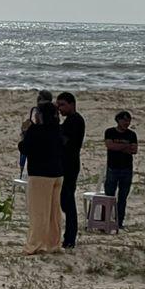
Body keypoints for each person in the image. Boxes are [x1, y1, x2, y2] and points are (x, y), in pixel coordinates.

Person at [19, 102, 64, 255]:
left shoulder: (35, 130)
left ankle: (36, 244)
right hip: (57, 173)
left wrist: (25, 132)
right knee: (53, 212)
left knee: (39, 212)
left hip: (40, 175)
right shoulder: (57, 130)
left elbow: (24, 148)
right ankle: (53, 243)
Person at [56, 92, 85, 248]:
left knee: (68, 201)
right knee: (65, 201)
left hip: (70, 165)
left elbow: (64, 140)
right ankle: (69, 236)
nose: (60, 108)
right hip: (67, 164)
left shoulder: (75, 120)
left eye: (62, 105)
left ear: (72, 104)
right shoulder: (69, 121)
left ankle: (70, 238)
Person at [102, 111, 138, 229]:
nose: (126, 123)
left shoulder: (132, 134)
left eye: (128, 120)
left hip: (126, 169)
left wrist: (118, 147)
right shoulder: (110, 132)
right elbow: (110, 146)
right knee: (109, 197)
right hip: (113, 168)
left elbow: (134, 150)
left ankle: (119, 222)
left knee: (123, 198)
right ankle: (106, 221)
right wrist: (125, 146)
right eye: (124, 120)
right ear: (118, 120)